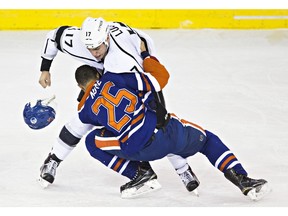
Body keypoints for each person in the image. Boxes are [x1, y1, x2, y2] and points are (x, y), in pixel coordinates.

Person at [74, 50, 269, 200]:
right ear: (98, 75)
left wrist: (84, 97)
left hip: (141, 150)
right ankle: (242, 179)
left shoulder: (84, 108)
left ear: (81, 86)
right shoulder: (116, 77)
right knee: (208, 140)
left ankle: (140, 173)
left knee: (92, 141)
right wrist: (146, 55)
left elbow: (89, 119)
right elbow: (160, 79)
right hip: (168, 133)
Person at [37, 17, 200, 195]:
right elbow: (53, 37)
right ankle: (53, 160)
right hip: (108, 75)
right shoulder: (82, 42)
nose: (94, 53)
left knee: (160, 124)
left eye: (97, 48)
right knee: (84, 119)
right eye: (90, 48)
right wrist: (45, 68)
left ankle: (183, 169)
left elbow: (151, 82)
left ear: (106, 38)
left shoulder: (122, 60)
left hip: (140, 77)